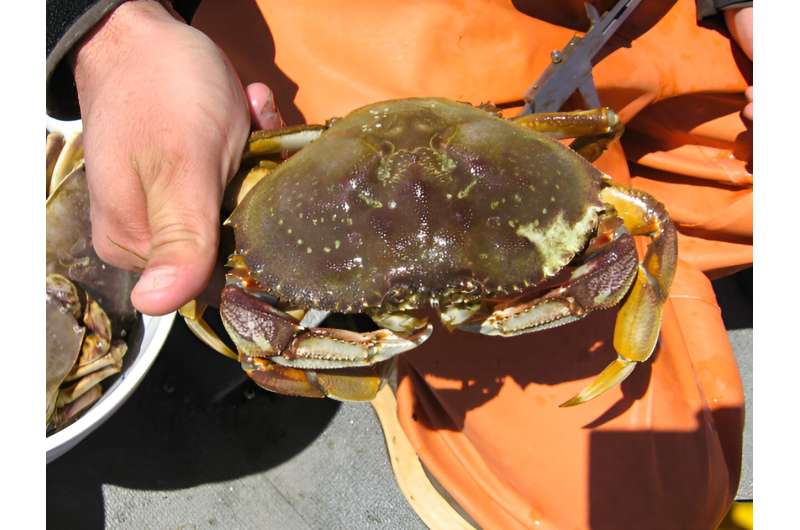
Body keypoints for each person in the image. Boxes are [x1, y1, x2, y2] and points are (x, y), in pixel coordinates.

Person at [47, 1, 753, 528]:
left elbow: (640, 224)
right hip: (331, 27)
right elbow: (252, 330)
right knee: (645, 504)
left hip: (637, 17)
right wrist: (109, 29)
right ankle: (380, 368)